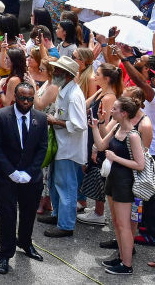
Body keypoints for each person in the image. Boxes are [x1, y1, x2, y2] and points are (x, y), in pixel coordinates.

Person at [0, 82, 49, 275]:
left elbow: (42, 147)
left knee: (29, 212)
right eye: (22, 98)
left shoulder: (41, 118)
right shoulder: (0, 116)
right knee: (8, 215)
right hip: (4, 176)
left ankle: (25, 242)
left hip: (30, 177)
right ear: (15, 96)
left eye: (30, 98)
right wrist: (11, 172)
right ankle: (5, 254)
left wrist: (29, 172)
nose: (26, 102)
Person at [91, 95, 147, 275]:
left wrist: (116, 158)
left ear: (124, 113)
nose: (111, 110)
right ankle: (122, 257)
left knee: (124, 225)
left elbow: (140, 164)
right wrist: (94, 126)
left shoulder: (133, 135)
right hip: (113, 180)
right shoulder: (116, 127)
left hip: (125, 183)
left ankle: (127, 265)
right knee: (116, 222)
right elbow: (100, 146)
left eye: (115, 109)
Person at [37, 55, 87, 238]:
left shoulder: (73, 96)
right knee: (55, 182)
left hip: (69, 149)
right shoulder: (65, 89)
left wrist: (55, 120)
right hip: (62, 145)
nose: (54, 72)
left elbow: (80, 124)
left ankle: (66, 225)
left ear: (66, 74)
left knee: (66, 186)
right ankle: (58, 215)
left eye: (57, 70)